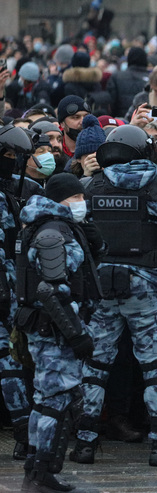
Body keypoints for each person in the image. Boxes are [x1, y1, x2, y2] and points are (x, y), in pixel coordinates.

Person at [69, 125, 157, 467]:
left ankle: (84, 444)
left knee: (95, 365)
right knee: (155, 367)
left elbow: (76, 235)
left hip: (102, 286)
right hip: (145, 287)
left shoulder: (89, 187)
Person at [16, 173, 103, 493]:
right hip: (54, 332)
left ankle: (36, 474)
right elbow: (50, 291)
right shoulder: (53, 232)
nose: (83, 202)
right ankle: (43, 477)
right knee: (56, 402)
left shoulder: (57, 227)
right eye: (78, 197)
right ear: (63, 199)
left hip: (50, 331)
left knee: (47, 400)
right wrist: (76, 335)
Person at [0, 126, 34, 460]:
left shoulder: (12, 193)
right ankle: (25, 431)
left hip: (10, 289)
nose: (14, 164)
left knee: (11, 362)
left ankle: (25, 432)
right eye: (9, 157)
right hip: (6, 290)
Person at [106, 47, 151, 118]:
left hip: (121, 120)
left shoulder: (116, 76)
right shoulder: (150, 78)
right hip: (145, 120)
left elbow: (111, 102)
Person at [57, 96, 92, 161]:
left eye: (86, 116)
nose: (83, 122)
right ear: (62, 124)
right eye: (76, 117)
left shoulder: (99, 149)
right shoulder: (55, 151)